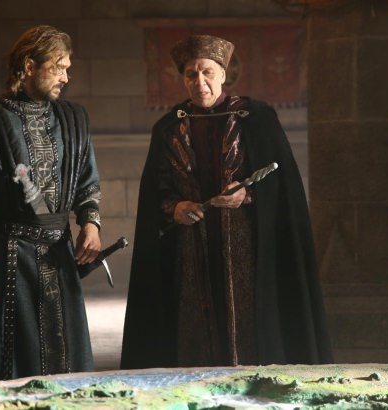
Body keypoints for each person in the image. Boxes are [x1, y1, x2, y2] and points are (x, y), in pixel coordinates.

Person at [120, 34, 332, 369]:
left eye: (207, 72)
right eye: (191, 74)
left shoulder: (256, 118)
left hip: (246, 245)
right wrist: (175, 208)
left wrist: (248, 194)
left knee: (246, 327)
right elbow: (157, 192)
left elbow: (283, 188)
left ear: (223, 74)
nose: (199, 81)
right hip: (191, 248)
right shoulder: (168, 127)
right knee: (195, 329)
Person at [0, 25, 102, 382]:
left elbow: (88, 183)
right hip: (7, 255)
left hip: (59, 255)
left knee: (68, 360)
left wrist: (91, 225)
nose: (66, 77)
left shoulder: (73, 120)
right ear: (29, 66)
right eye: (58, 67)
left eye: (68, 68)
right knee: (9, 362)